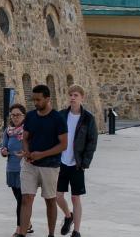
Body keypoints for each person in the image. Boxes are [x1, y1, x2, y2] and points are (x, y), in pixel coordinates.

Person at [15, 85, 67, 237]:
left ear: (47, 99)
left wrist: (42, 154)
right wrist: (27, 152)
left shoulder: (58, 119)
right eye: (34, 99)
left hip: (50, 166)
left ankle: (51, 234)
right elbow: (25, 138)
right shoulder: (30, 116)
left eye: (38, 99)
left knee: (50, 200)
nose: (35, 103)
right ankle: (22, 234)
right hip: (29, 164)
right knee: (26, 198)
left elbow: (64, 144)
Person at [53, 85, 97, 237]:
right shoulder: (61, 115)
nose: (72, 97)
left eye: (76, 95)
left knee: (75, 197)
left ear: (82, 98)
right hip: (61, 162)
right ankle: (68, 216)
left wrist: (85, 162)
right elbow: (53, 137)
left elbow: (92, 142)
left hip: (77, 164)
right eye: (71, 94)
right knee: (58, 196)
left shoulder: (88, 118)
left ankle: (76, 231)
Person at [0, 103, 30, 234]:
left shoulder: (28, 130)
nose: (15, 117)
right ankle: (27, 223)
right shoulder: (8, 131)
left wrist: (26, 153)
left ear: (24, 116)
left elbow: (33, 146)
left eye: (18, 115)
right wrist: (4, 150)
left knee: (21, 200)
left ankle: (19, 228)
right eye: (13, 115)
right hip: (11, 169)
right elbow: (3, 147)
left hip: (24, 169)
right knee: (19, 199)